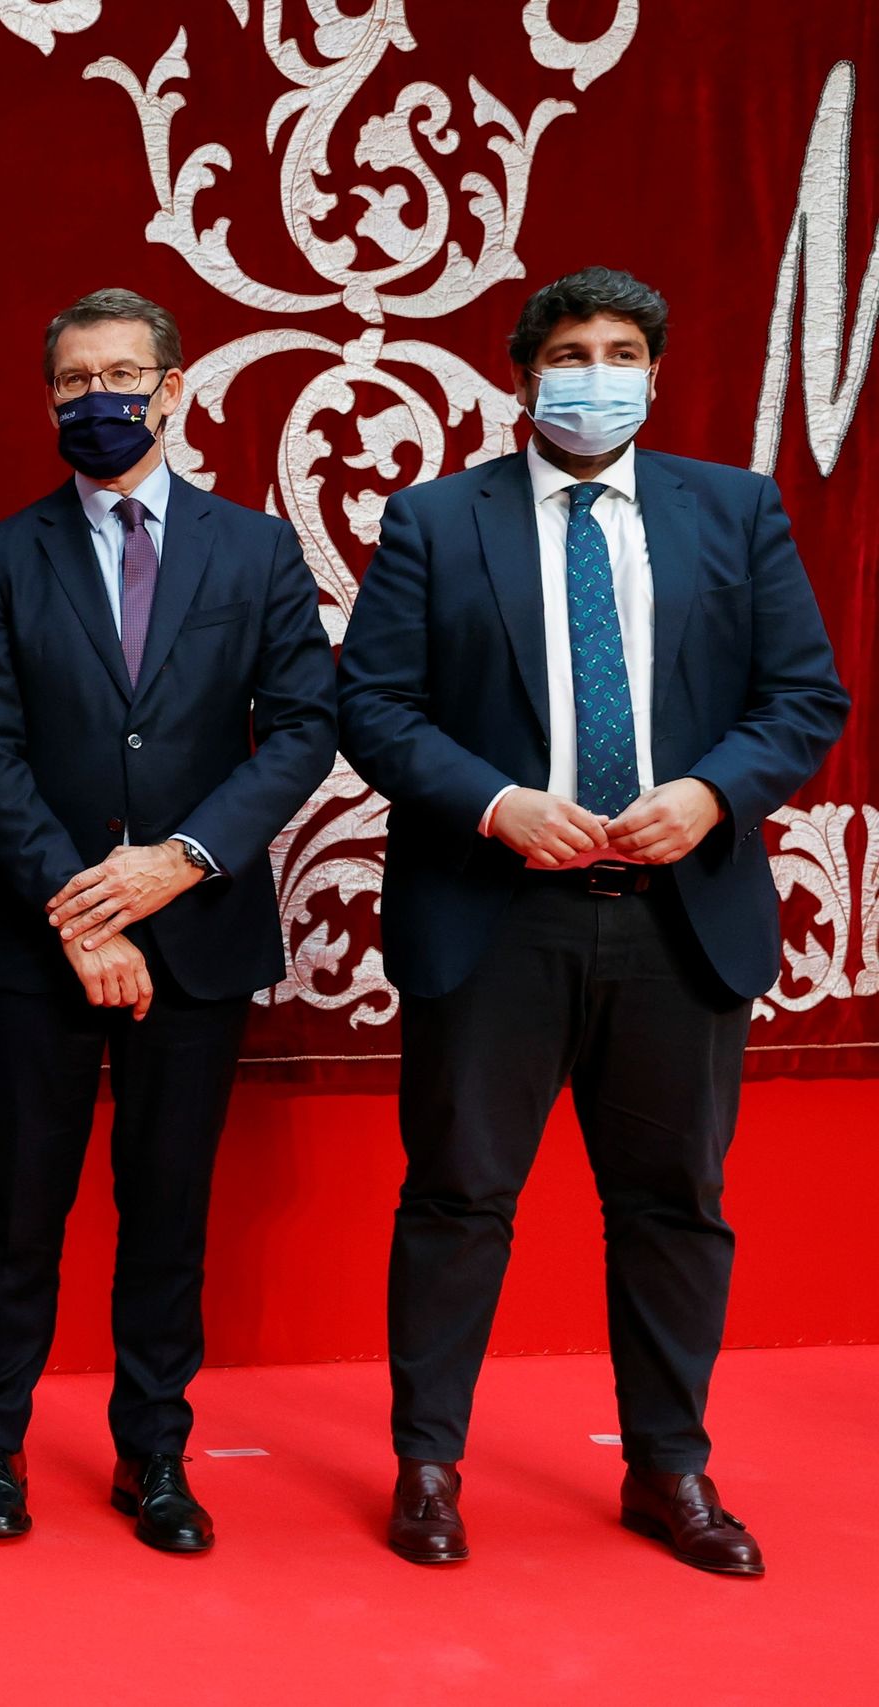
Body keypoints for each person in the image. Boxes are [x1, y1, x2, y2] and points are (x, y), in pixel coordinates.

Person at [337, 266, 848, 1575]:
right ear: (524, 374)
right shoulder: (437, 519)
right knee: (458, 1195)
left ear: (655, 375)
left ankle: (670, 1467)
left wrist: (711, 793)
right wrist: (497, 803)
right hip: (493, 912)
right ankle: (428, 1464)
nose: (596, 373)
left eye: (622, 350)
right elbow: (374, 708)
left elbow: (803, 696)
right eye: (570, 352)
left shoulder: (733, 511)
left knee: (675, 1202)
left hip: (678, 915)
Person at [0, 288, 336, 1551]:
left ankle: (153, 1458)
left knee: (167, 1209)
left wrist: (180, 862)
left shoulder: (255, 550)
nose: (95, 398)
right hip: (39, 937)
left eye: (119, 376)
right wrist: (83, 911)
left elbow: (302, 730)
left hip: (197, 931)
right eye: (72, 381)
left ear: (170, 388)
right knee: (23, 1204)